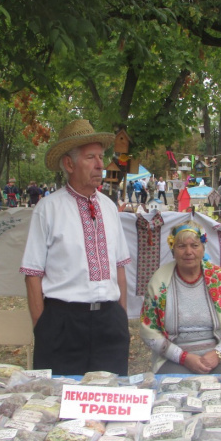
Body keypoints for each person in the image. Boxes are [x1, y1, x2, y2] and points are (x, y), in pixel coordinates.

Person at [20, 119, 131, 375]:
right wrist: (43, 327)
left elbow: (120, 268)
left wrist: (120, 318)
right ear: (69, 164)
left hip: (109, 324)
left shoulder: (110, 207)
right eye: (90, 157)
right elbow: (32, 274)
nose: (100, 165)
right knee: (59, 403)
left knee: (109, 400)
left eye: (101, 157)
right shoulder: (48, 209)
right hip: (63, 323)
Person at [139, 221, 221, 374]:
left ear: (203, 248)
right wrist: (183, 357)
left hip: (220, 352)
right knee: (174, 392)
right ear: (173, 250)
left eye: (194, 245)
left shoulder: (220, 278)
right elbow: (149, 332)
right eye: (181, 246)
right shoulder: (159, 283)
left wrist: (218, 354)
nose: (188, 252)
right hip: (176, 358)